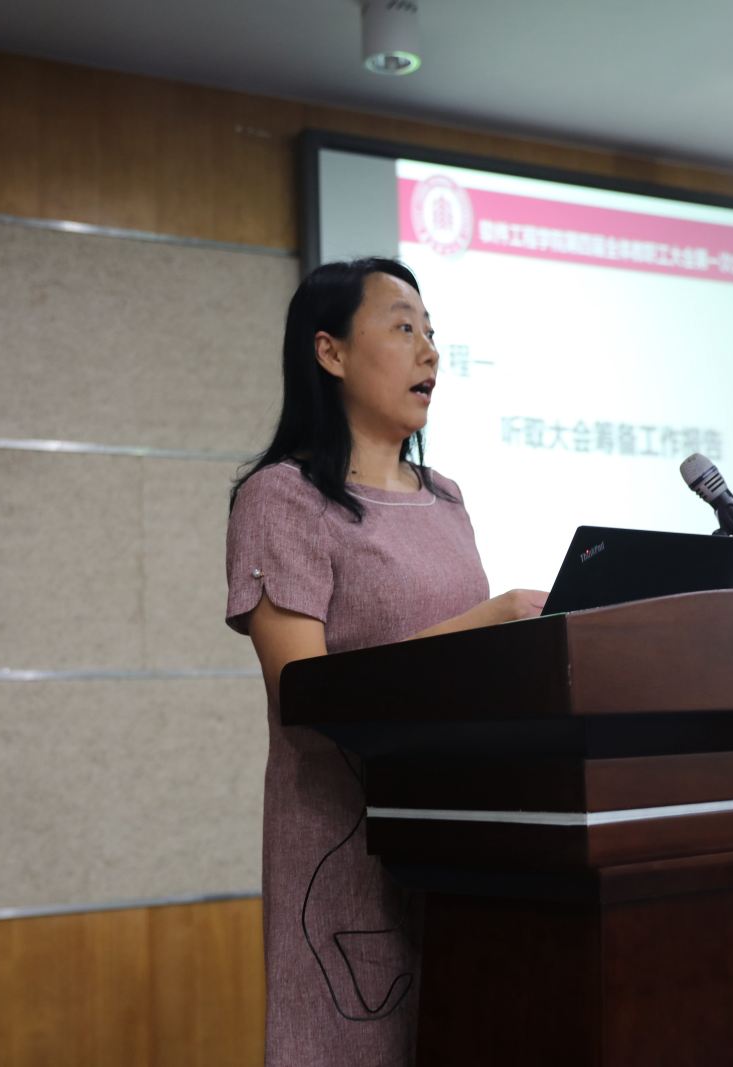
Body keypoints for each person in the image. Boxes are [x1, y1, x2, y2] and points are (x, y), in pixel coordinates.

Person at [225, 257, 545, 1065]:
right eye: (404, 328)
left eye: (432, 332)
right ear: (329, 352)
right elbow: (303, 689)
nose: (430, 352)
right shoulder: (283, 497)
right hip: (347, 847)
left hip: (469, 843)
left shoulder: (447, 497)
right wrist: (487, 623)